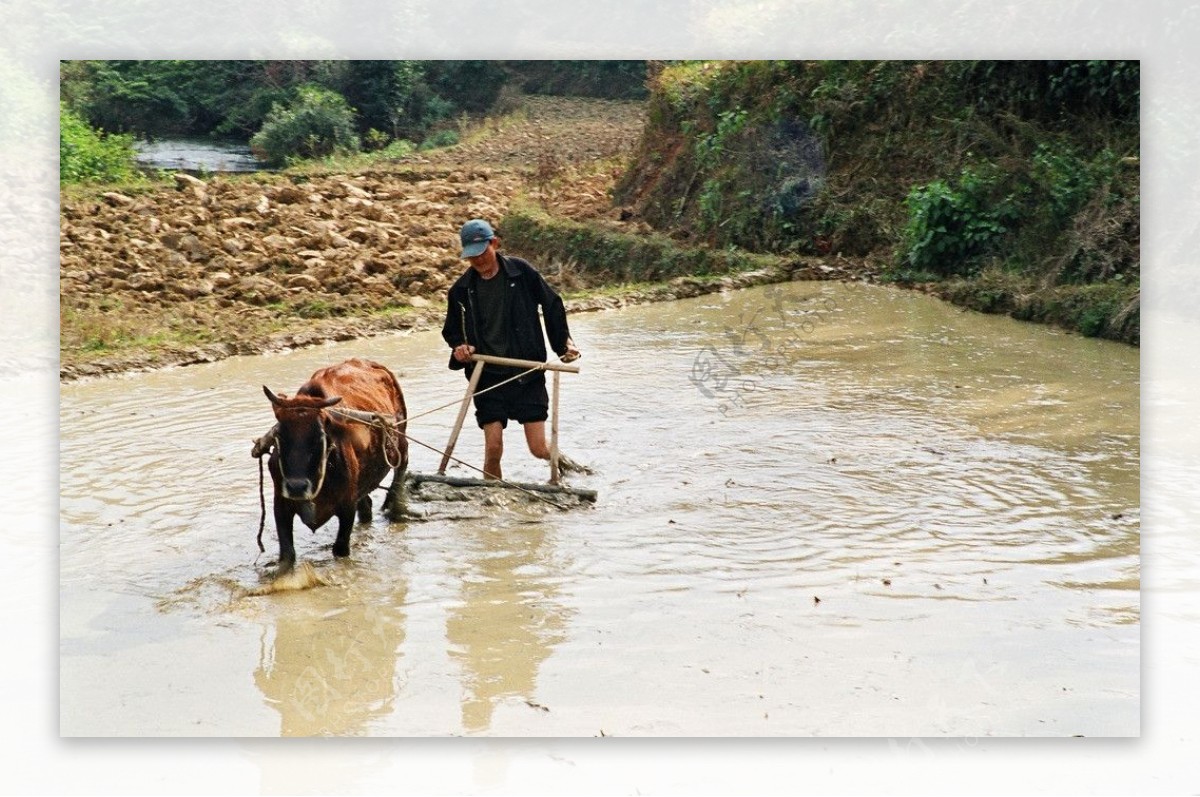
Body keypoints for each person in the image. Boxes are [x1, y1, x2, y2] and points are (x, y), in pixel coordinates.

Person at [441, 219, 582, 481]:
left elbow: (551, 303)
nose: (479, 261)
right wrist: (460, 348)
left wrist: (564, 343)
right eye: (472, 257)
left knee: (538, 448)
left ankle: (564, 465)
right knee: (493, 448)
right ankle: (492, 497)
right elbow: (452, 331)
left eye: (483, 253)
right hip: (487, 376)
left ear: (494, 244)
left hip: (526, 372)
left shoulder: (521, 272)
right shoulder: (460, 290)